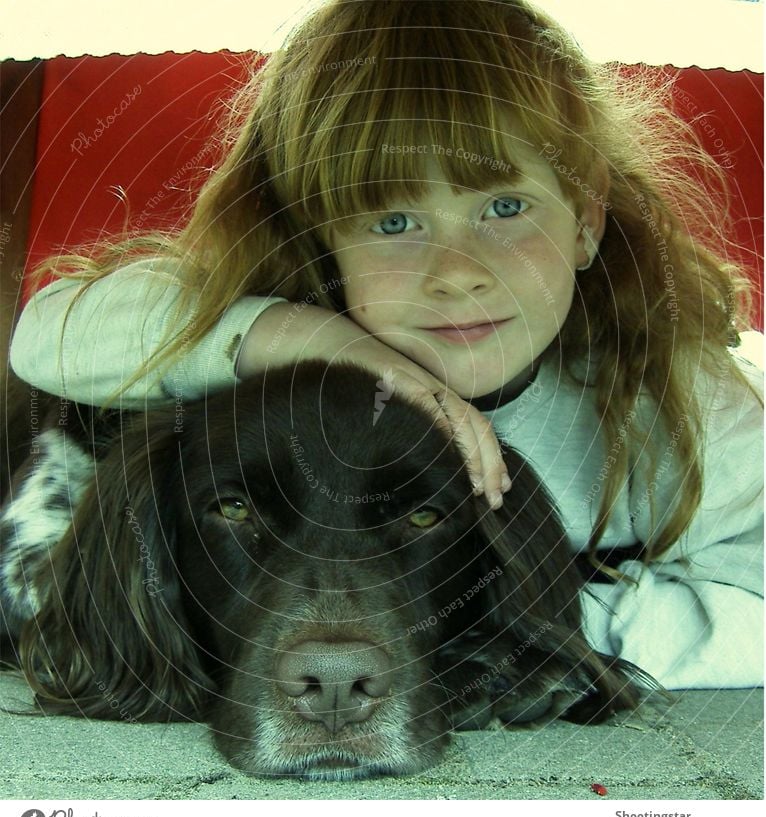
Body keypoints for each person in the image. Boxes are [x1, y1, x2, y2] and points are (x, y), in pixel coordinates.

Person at [9, 0, 762, 689]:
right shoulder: (296, 321)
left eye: (505, 207)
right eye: (393, 222)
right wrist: (309, 338)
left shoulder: (668, 393)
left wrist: (521, 628)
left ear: (587, 218)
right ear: (318, 238)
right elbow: (45, 338)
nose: (458, 274)